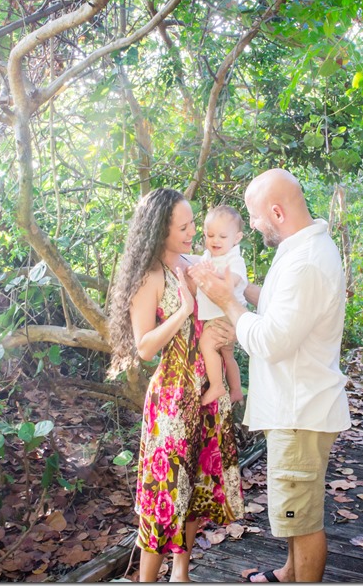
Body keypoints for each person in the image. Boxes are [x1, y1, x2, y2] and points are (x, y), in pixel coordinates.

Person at [190, 168, 351, 583]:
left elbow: (273, 340)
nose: (255, 226)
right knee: (295, 510)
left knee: (301, 518)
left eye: (256, 218)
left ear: (276, 212)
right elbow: (282, 307)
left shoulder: (307, 262)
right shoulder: (301, 248)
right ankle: (288, 572)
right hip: (297, 406)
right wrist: (241, 291)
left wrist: (227, 302)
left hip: (299, 411)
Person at [107, 188, 244, 583]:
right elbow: (145, 346)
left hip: (208, 390)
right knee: (164, 493)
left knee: (198, 486)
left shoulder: (195, 263)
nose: (191, 233)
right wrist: (184, 308)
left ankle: (181, 573)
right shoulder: (150, 275)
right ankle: (148, 579)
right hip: (172, 398)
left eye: (191, 225)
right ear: (158, 230)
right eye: (183, 227)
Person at [195, 206, 248, 407]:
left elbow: (232, 280)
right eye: (210, 235)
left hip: (225, 314)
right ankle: (235, 390)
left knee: (207, 345)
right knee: (227, 353)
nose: (215, 240)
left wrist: (214, 275)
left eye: (222, 236)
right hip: (218, 314)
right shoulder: (209, 257)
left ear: (237, 238)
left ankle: (217, 385)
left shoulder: (233, 258)